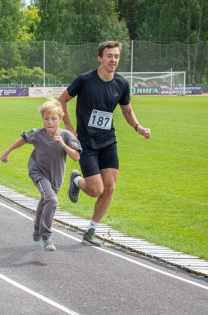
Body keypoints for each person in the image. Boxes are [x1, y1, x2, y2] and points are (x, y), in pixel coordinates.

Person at [59, 41, 151, 247]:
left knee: (109, 188)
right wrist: (69, 129)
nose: (113, 60)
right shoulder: (84, 80)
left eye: (116, 56)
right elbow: (62, 100)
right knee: (95, 190)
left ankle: (91, 231)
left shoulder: (121, 84)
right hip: (86, 143)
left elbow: (127, 110)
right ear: (100, 58)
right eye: (109, 56)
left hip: (108, 141)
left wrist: (138, 127)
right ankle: (76, 181)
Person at [0, 99, 81, 251]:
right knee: (51, 200)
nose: (49, 122)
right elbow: (22, 140)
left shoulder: (67, 136)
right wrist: (7, 152)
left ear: (60, 119)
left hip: (56, 176)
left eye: (53, 119)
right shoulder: (38, 134)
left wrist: (62, 145)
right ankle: (46, 236)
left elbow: (76, 157)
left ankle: (38, 227)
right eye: (46, 119)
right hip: (38, 172)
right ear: (42, 119)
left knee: (45, 201)